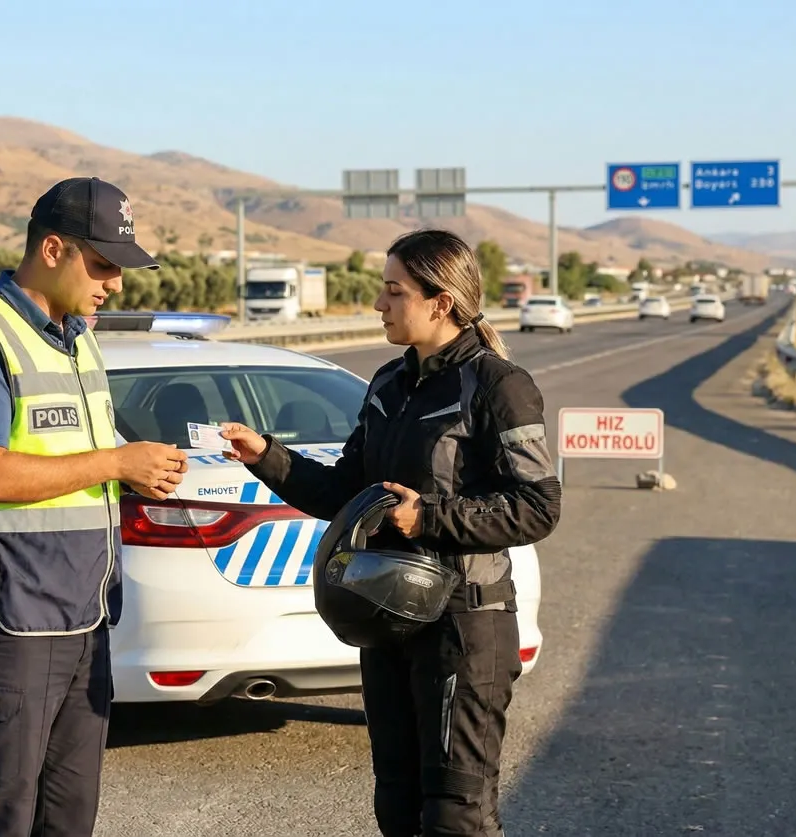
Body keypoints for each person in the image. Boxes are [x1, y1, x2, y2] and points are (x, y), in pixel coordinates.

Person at [220, 228, 562, 836]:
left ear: (441, 302)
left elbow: (537, 505)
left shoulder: (498, 386)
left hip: (466, 627)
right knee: (397, 806)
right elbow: (342, 491)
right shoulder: (388, 384)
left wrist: (428, 517)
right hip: (389, 622)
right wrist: (264, 456)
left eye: (393, 291)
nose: (380, 304)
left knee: (456, 814)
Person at [0, 176, 190, 837]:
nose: (116, 284)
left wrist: (140, 472)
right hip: (9, 618)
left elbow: (75, 459)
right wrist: (116, 463)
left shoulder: (78, 339)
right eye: (102, 265)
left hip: (81, 615)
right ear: (52, 249)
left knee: (68, 817)